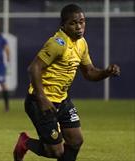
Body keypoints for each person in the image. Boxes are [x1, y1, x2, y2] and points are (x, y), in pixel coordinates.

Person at [13, 4, 120, 161]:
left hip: (62, 100)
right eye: (73, 23)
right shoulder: (57, 43)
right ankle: (25, 143)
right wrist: (42, 98)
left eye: (82, 22)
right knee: (56, 152)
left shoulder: (81, 43)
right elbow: (33, 68)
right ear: (63, 25)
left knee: (76, 141)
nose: (79, 27)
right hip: (40, 101)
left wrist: (106, 72)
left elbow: (89, 72)